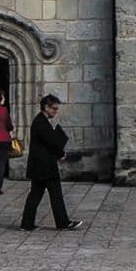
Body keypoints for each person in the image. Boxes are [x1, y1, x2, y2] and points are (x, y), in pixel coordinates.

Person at [20, 94, 84, 232]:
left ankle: (27, 224)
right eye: (54, 108)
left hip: (41, 165)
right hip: (45, 166)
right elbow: (51, 142)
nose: (56, 111)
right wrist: (61, 154)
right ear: (46, 107)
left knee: (36, 194)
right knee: (54, 194)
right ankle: (62, 222)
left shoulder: (41, 121)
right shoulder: (41, 122)